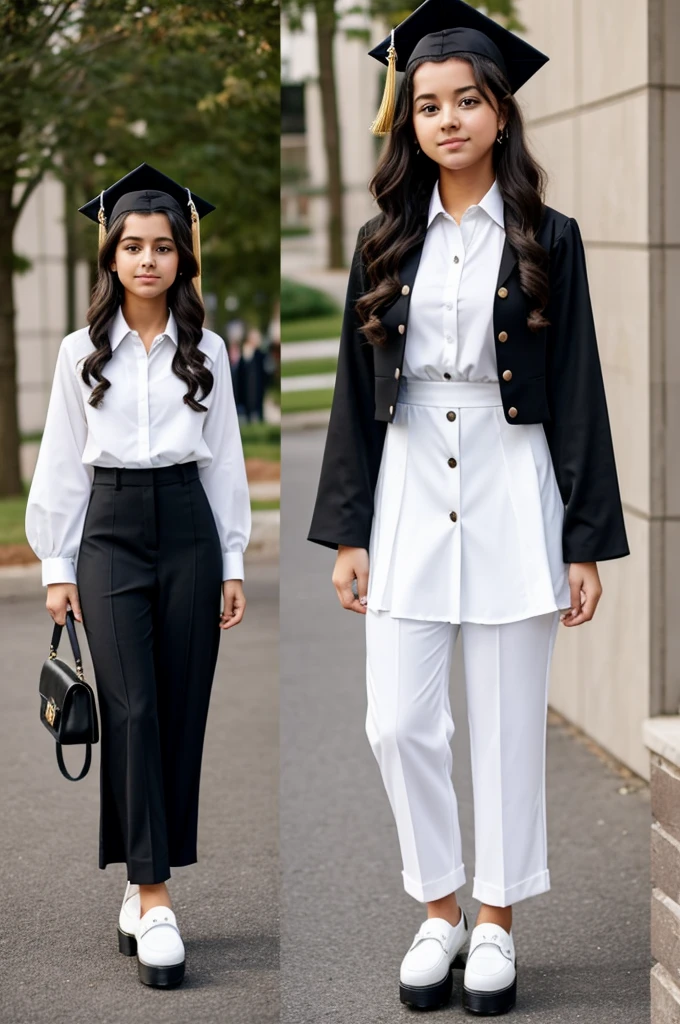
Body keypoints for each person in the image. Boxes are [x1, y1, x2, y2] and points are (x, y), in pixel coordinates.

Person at [307, 0, 629, 1015]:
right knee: (395, 723)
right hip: (406, 488)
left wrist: (583, 538)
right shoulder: (380, 241)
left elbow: (575, 386)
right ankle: (434, 906)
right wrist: (349, 529)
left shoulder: (548, 236)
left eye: (466, 101)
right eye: (427, 105)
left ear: (498, 113)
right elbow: (356, 397)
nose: (446, 119)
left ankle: (493, 919)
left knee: (501, 725)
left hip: (510, 485)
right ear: (406, 121)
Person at [25, 163, 251, 989]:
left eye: (163, 246)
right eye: (132, 246)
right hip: (111, 537)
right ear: (110, 257)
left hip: (190, 530)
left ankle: (139, 877)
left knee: (178, 710)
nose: (148, 259)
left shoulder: (211, 351)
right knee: (132, 709)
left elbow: (225, 462)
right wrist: (57, 565)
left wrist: (231, 560)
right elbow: (59, 464)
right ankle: (155, 898)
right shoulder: (79, 354)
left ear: (184, 258)